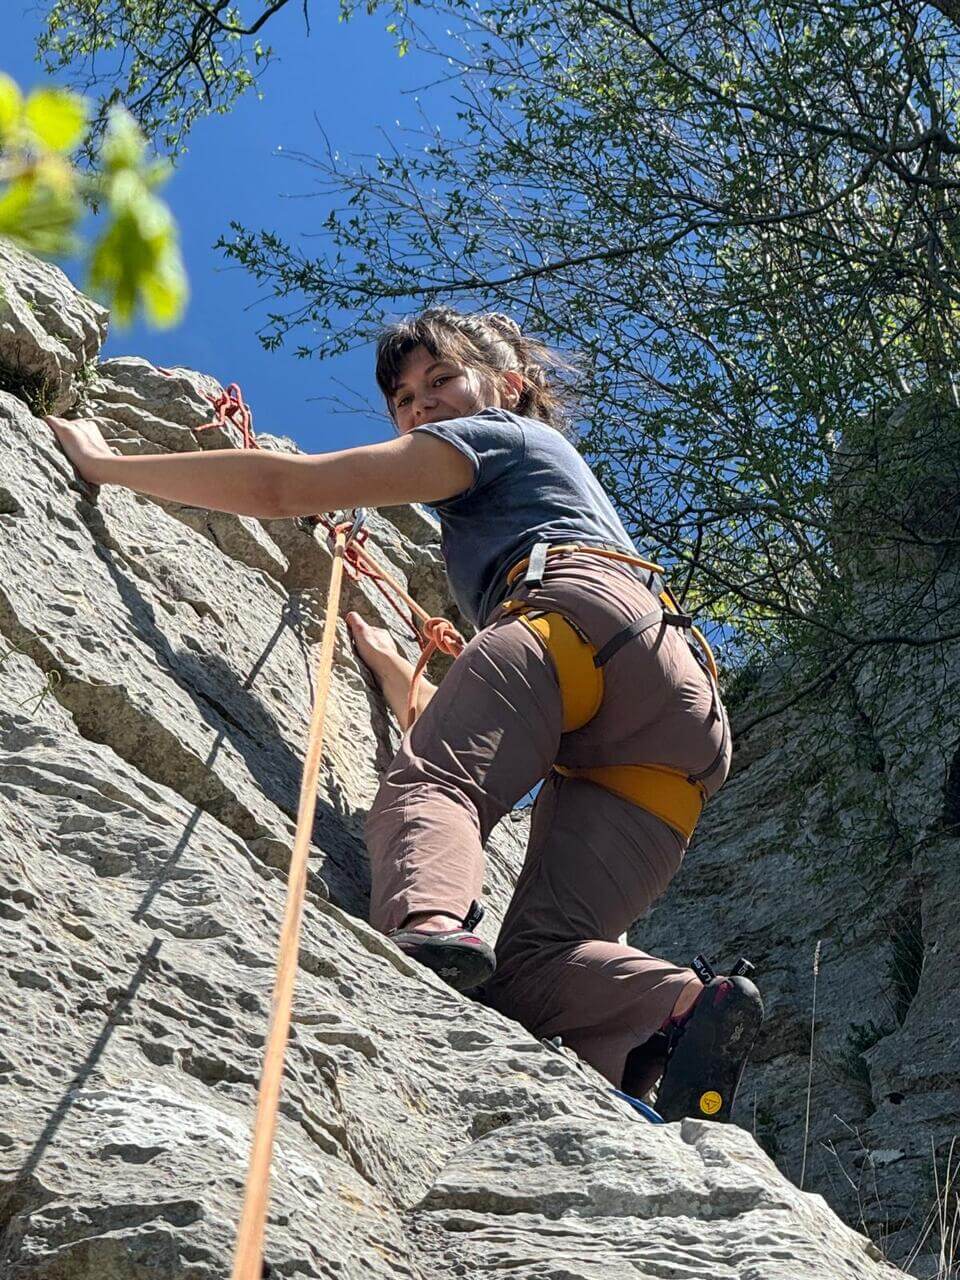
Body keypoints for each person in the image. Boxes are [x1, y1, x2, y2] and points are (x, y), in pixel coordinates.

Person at [45, 306, 762, 1122]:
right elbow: (509, 729)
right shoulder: (555, 489)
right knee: (537, 967)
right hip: (681, 719)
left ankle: (429, 929)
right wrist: (398, 675)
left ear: (508, 387)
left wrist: (104, 463)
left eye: (440, 380)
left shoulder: (498, 437)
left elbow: (284, 488)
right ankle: (680, 1010)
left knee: (430, 786)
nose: (421, 407)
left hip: (580, 620)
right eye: (403, 400)